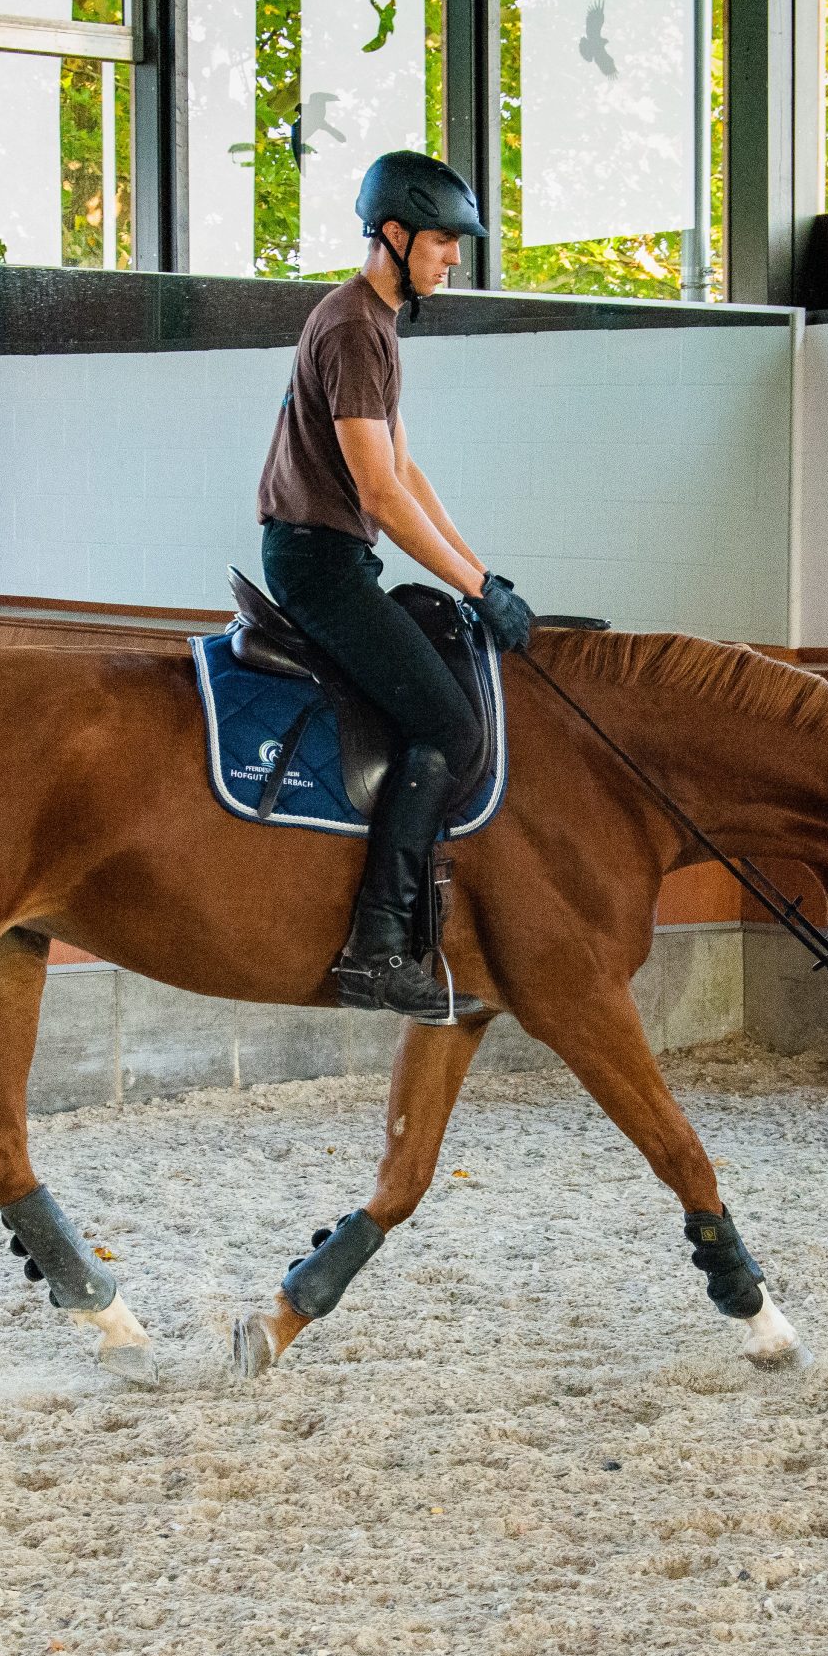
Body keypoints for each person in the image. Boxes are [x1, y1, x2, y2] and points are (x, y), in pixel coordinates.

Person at [256, 150, 535, 1024]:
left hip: (341, 558)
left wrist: (483, 572)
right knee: (449, 722)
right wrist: (476, 584)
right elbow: (376, 493)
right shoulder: (349, 327)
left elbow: (406, 472)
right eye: (446, 241)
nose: (455, 258)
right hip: (317, 562)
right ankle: (377, 947)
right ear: (395, 235)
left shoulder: (376, 325)